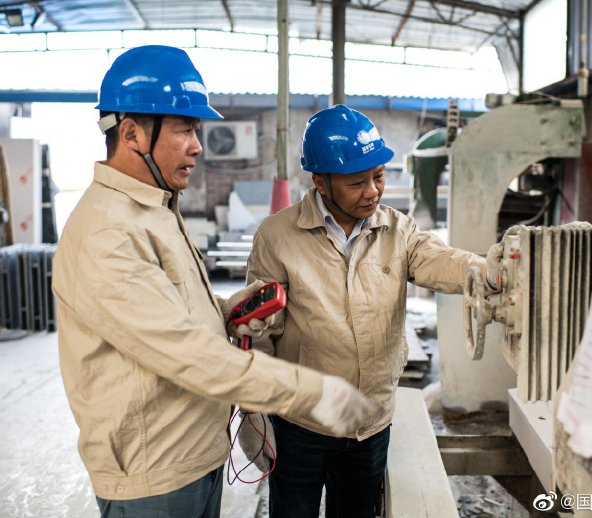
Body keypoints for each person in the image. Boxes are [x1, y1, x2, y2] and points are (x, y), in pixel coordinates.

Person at [52, 46, 377, 518]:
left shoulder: (154, 209)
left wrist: (224, 312)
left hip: (192, 455)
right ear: (131, 133)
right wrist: (313, 392)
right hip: (154, 476)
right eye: (184, 129)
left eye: (196, 130)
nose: (198, 145)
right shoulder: (107, 232)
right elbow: (187, 354)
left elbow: (161, 315)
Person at [240, 104, 504, 518]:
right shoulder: (278, 236)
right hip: (301, 425)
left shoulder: (398, 230)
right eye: (356, 182)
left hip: (370, 422)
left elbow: (439, 260)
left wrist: (487, 271)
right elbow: (259, 330)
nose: (372, 191)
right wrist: (255, 407)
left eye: (378, 176)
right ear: (321, 182)